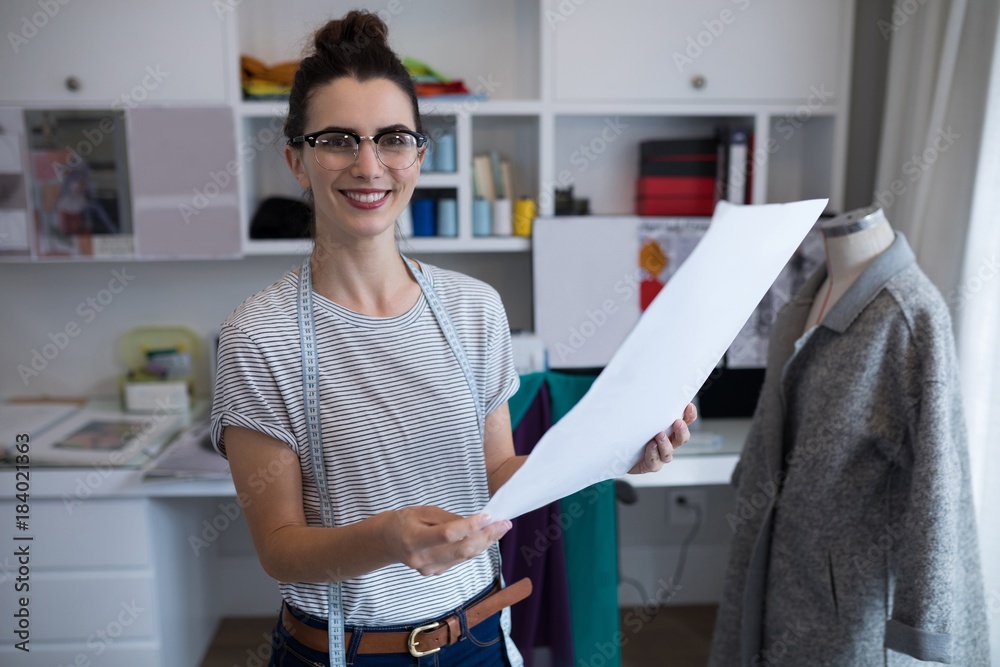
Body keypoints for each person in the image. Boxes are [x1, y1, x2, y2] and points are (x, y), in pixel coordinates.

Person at [211, 11, 697, 667]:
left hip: (476, 638)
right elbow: (278, 546)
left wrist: (616, 454)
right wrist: (386, 538)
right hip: (342, 652)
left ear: (419, 154)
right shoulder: (258, 335)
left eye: (392, 138)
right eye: (337, 139)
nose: (368, 163)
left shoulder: (474, 308)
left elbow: (500, 473)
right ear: (296, 158)